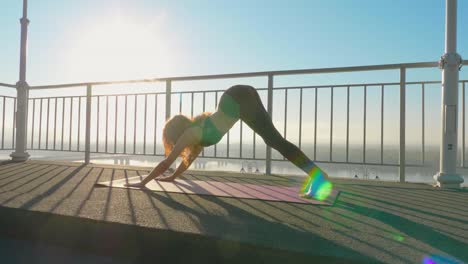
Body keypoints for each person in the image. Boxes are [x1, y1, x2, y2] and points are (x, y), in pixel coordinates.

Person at [126, 85, 333, 200]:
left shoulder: (190, 135)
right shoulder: (196, 134)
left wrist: (143, 182)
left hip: (235, 98)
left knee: (275, 141)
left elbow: (167, 162)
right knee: (275, 141)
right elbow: (184, 163)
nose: (173, 143)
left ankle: (318, 176)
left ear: (175, 133)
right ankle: (318, 175)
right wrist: (173, 177)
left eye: (171, 139)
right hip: (241, 94)